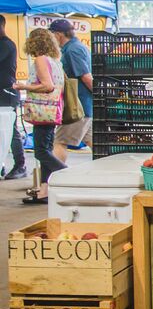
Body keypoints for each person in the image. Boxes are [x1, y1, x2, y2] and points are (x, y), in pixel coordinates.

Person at [15, 28, 66, 204]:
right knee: (46, 148)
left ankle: (68, 175)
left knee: (41, 152)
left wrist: (24, 87)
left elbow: (47, 85)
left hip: (42, 111)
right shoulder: (55, 61)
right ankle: (45, 191)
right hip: (52, 111)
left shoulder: (40, 60)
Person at [50, 19, 93, 163]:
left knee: (60, 141)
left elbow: (86, 76)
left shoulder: (72, 50)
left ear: (58, 34)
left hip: (77, 106)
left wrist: (99, 95)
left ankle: (52, 175)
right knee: (93, 141)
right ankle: (113, 168)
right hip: (85, 106)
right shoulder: (77, 47)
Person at [0, 15, 27, 179]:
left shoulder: (6, 45)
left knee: (11, 130)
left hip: (6, 93)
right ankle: (2, 164)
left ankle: (20, 165)